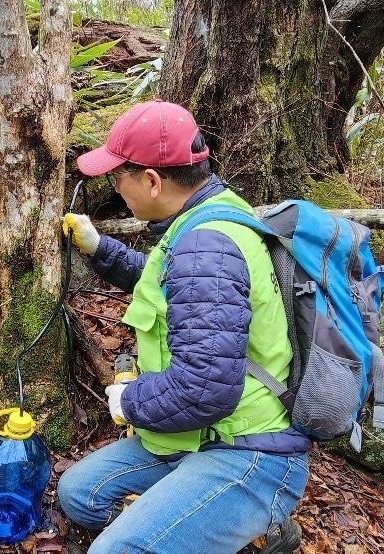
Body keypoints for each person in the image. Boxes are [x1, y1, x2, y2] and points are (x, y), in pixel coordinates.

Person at [57, 99, 311, 554]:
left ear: (152, 181)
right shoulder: (209, 215)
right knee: (80, 495)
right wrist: (100, 248)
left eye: (118, 177)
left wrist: (129, 401)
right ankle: (195, 522)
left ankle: (250, 524)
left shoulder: (206, 245)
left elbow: (203, 389)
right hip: (195, 435)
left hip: (247, 449)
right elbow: (178, 289)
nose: (116, 188)